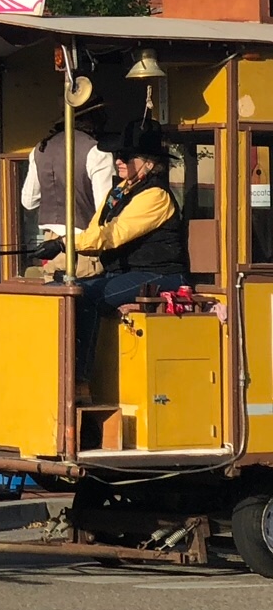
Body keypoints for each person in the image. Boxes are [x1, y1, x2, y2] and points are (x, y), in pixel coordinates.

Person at [41, 121, 188, 398]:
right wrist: (66, 245)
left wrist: (63, 243)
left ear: (147, 163)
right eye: (117, 155)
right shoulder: (118, 192)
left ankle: (80, 382)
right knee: (61, 292)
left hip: (161, 275)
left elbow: (113, 235)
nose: (118, 161)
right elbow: (95, 231)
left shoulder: (156, 195)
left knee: (86, 295)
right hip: (123, 273)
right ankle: (55, 372)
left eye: (126, 157)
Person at [22, 106, 114, 273]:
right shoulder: (97, 151)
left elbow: (28, 201)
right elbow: (104, 209)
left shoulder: (40, 149)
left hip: (50, 244)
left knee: (55, 297)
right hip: (85, 243)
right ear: (95, 119)